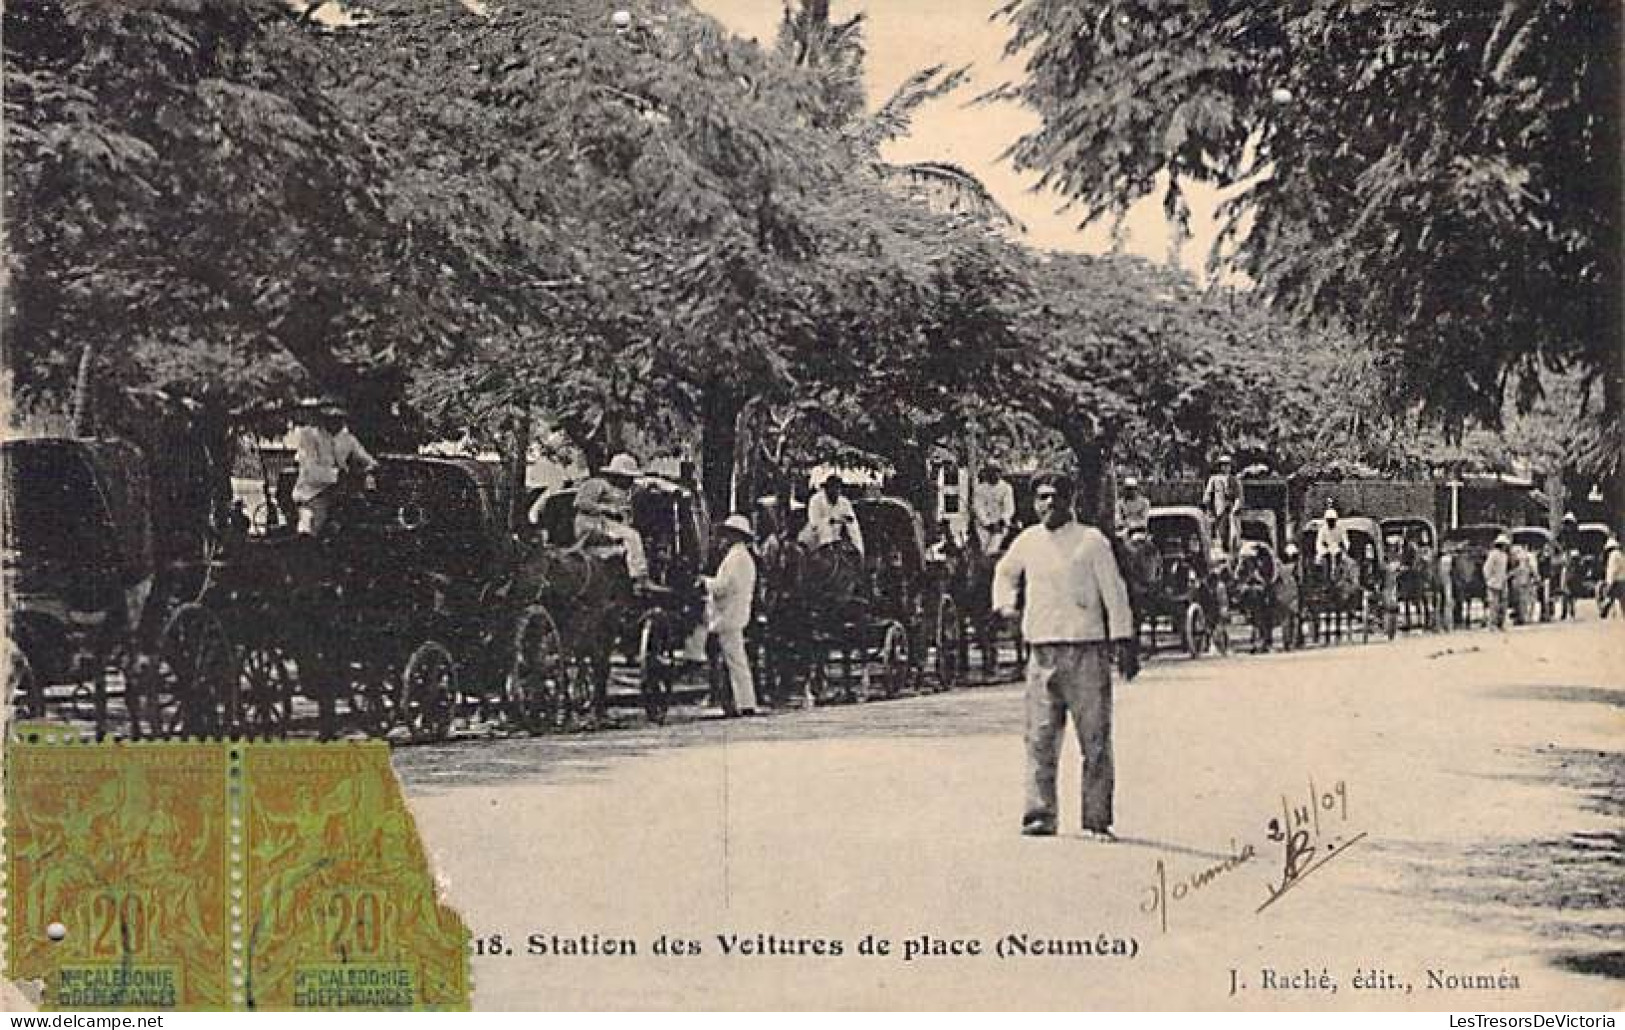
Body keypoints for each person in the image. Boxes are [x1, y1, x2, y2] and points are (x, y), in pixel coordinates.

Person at [992, 473, 1137, 840]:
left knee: (1095, 740)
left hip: (1085, 649)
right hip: (1041, 651)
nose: (1048, 504)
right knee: (1039, 738)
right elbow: (1005, 573)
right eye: (1041, 498)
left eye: (1056, 497)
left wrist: (1123, 640)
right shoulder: (1027, 541)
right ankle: (1039, 815)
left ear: (1070, 500)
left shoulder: (1091, 542)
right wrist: (1005, 606)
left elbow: (1114, 592)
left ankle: (1096, 819)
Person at [291, 398, 376, 537]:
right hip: (313, 493)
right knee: (312, 526)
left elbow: (366, 459)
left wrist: (369, 470)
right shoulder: (309, 436)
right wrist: (338, 475)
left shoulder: (347, 438)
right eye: (331, 418)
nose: (336, 422)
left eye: (339, 418)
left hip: (342, 493)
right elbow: (310, 471)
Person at [705, 514, 759, 717]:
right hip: (735, 612)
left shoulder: (736, 558)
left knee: (736, 661)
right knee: (735, 660)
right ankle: (740, 701)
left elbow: (724, 586)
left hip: (729, 613)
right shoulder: (742, 557)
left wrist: (705, 583)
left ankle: (744, 703)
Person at [573, 453, 650, 584]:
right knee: (633, 536)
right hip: (591, 523)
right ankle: (640, 577)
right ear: (617, 476)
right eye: (628, 478)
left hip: (605, 524)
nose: (630, 482)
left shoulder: (622, 492)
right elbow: (580, 503)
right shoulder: (597, 484)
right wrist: (607, 509)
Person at [800, 474, 865, 556]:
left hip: (834, 540)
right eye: (833, 487)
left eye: (838, 488)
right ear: (826, 488)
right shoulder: (815, 500)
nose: (836, 491)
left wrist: (859, 549)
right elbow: (815, 522)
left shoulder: (844, 503)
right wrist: (834, 520)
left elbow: (853, 525)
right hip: (813, 538)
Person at [971, 465, 1017, 554]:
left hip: (1000, 524)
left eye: (996, 472)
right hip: (983, 525)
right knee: (983, 547)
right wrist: (987, 523)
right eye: (990, 472)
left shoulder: (1006, 487)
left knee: (993, 549)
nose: (994, 475)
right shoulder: (980, 489)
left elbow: (1009, 507)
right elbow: (978, 507)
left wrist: (1001, 520)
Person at [1202, 455, 1241, 554]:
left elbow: (1238, 496)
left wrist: (1235, 507)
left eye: (1228, 465)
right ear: (1220, 467)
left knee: (1234, 535)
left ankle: (1233, 553)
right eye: (1223, 465)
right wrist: (1209, 509)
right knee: (1220, 533)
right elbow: (1208, 495)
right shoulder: (1214, 479)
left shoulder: (1235, 480)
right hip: (1219, 510)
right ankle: (1222, 552)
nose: (1226, 468)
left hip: (1232, 510)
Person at [1313, 506, 1350, 580]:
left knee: (1346, 562)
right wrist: (1323, 551)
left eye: (1332, 520)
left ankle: (1341, 577)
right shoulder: (1322, 529)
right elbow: (1319, 542)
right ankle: (1322, 578)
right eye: (1329, 520)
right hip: (1326, 550)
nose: (1331, 522)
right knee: (1319, 562)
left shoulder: (1341, 528)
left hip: (1337, 549)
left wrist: (1345, 548)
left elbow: (1345, 540)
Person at [1483, 533, 1510, 629]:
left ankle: (1500, 623)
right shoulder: (1493, 554)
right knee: (1493, 604)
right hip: (1493, 583)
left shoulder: (1505, 556)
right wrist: (1489, 579)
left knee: (1503, 604)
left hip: (1502, 582)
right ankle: (1492, 624)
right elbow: (1487, 568)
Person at [1600, 539, 1625, 619]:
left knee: (1609, 597)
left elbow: (1612, 570)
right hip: (1623, 580)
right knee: (1622, 600)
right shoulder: (1621, 554)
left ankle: (1603, 612)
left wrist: (1609, 583)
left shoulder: (1613, 556)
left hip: (1616, 581)